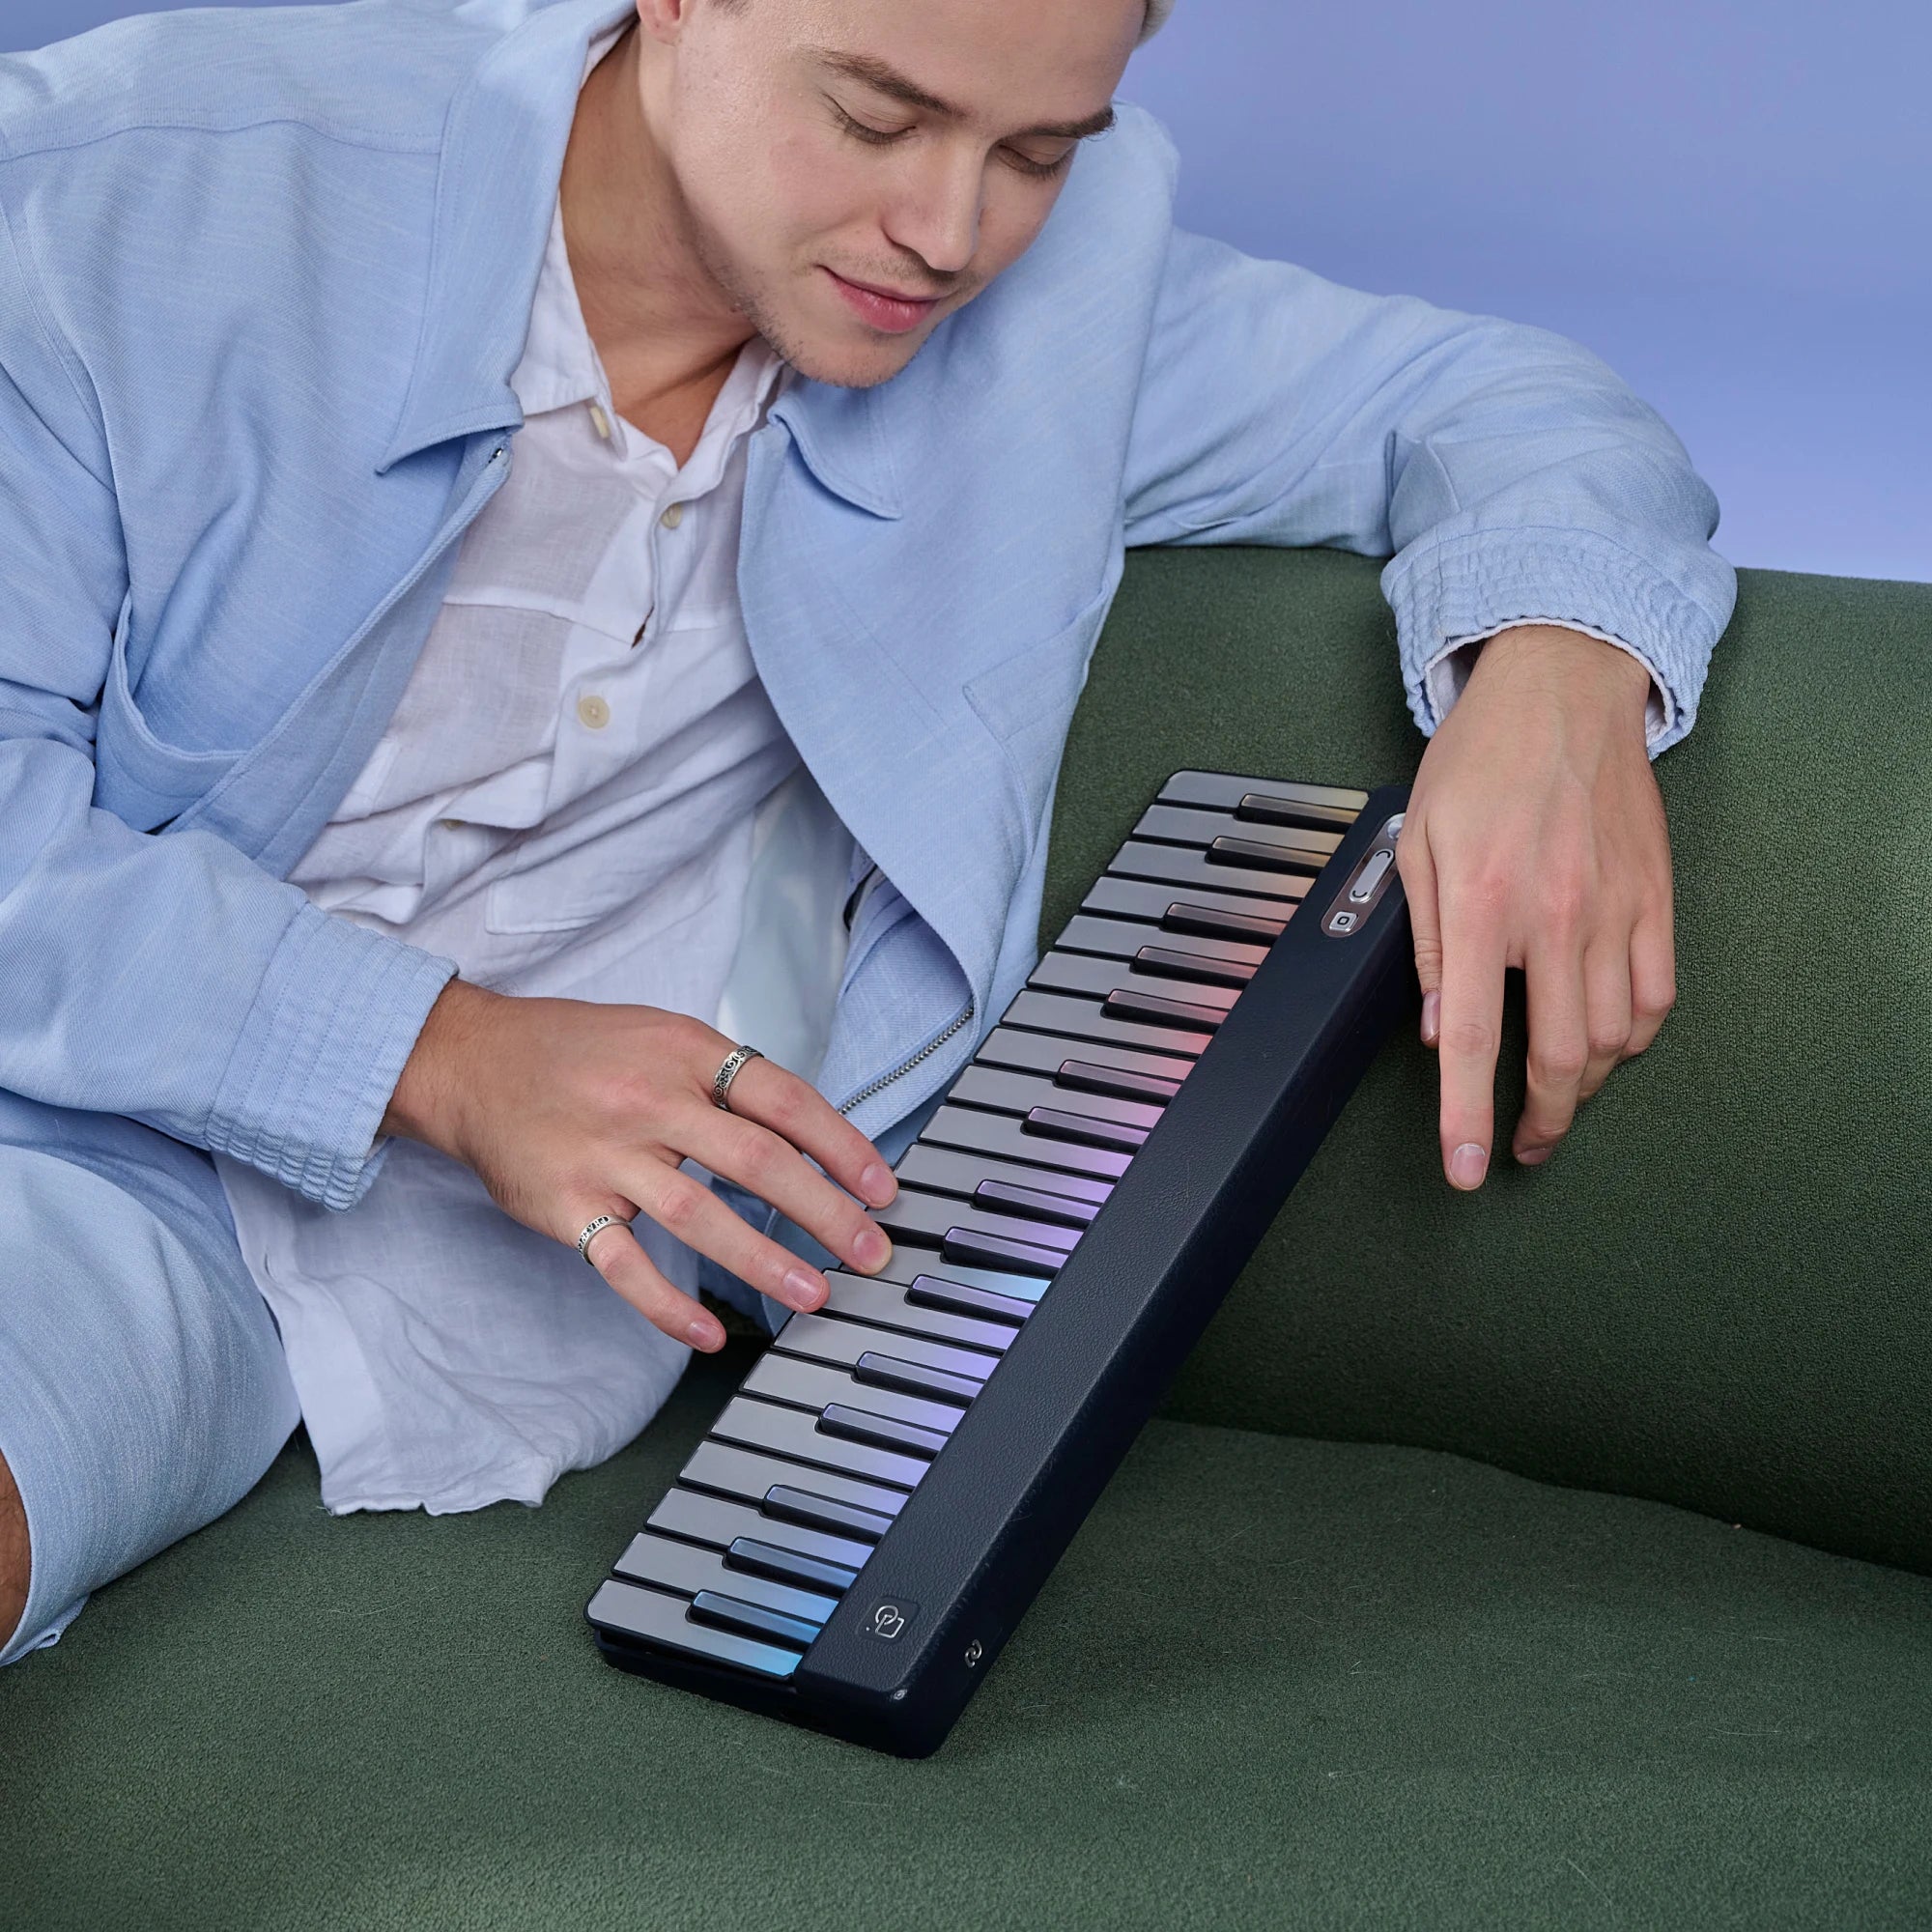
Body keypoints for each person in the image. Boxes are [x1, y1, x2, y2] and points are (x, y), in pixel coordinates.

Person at [0, 0, 1734, 1664]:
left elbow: (1502, 402)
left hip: (443, 1278)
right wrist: (440, 1054)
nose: (948, 232)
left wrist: (1554, 674)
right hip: (58, 1124)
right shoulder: (115, 193)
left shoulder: (1061, 306)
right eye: (875, 116)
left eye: (1039, 149)